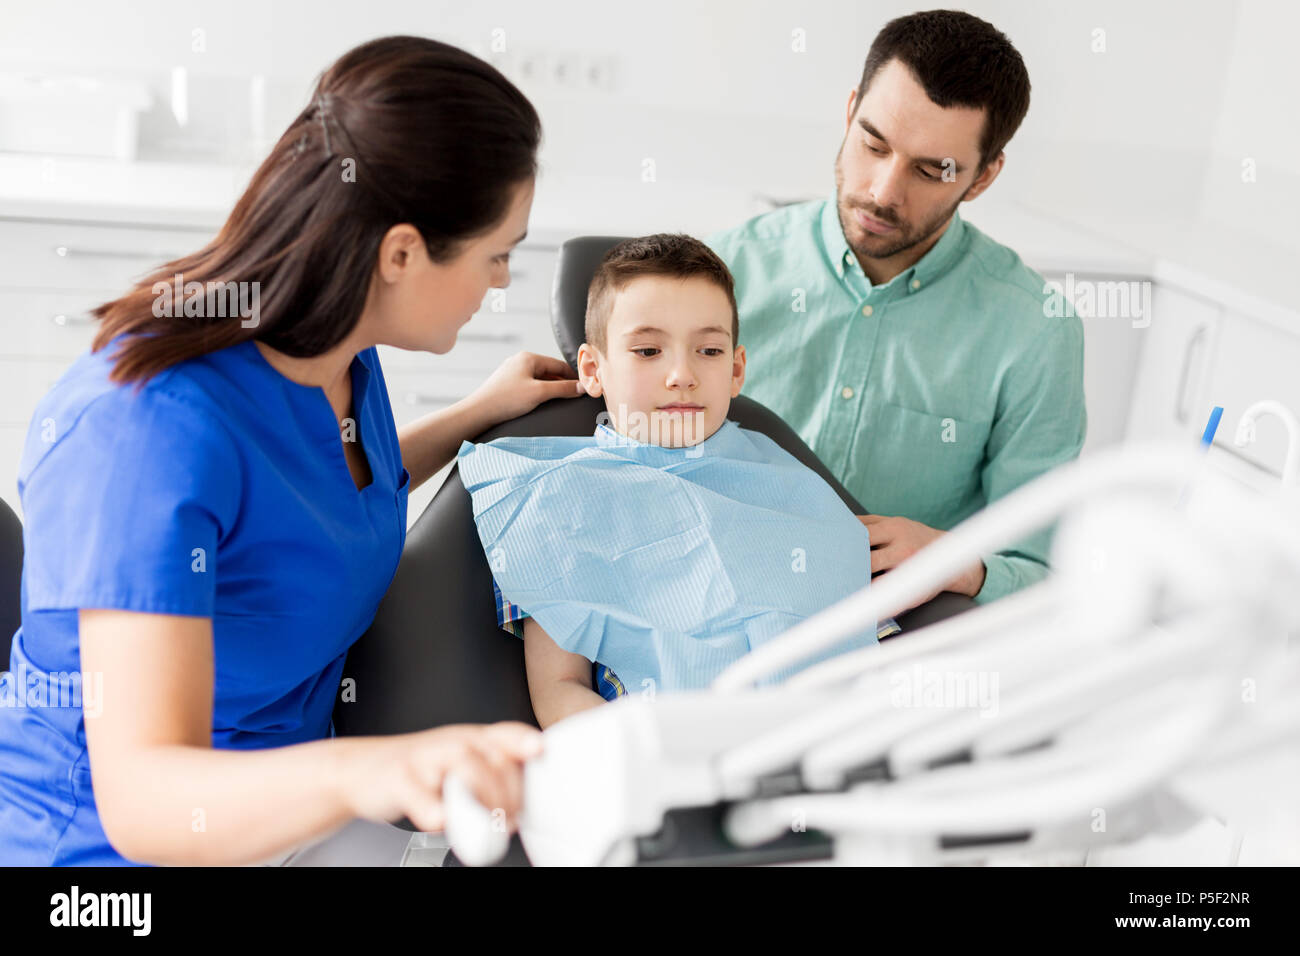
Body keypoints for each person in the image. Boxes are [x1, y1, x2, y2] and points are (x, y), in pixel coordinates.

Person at [0, 35, 585, 866]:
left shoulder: (336, 353)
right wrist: (374, 771)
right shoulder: (145, 429)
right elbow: (145, 800)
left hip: (291, 804)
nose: (500, 283)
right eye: (499, 254)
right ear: (402, 254)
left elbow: (319, 500)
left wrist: (476, 413)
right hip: (118, 850)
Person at [705, 10, 1087, 611]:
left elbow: (1038, 570)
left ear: (983, 177)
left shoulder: (1036, 331)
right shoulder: (727, 270)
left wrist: (952, 561)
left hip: (887, 649)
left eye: (932, 170)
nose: (883, 192)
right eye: (873, 143)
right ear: (851, 108)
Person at [458, 234, 895, 729]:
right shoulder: (556, 497)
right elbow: (561, 690)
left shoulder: (795, 486)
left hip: (832, 744)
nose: (682, 374)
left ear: (735, 370)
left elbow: (867, 651)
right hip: (665, 760)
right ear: (592, 369)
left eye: (708, 350)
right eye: (648, 350)